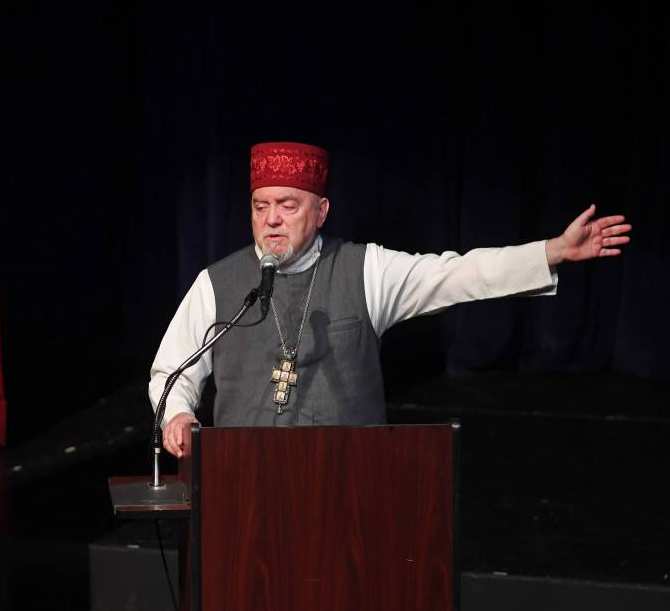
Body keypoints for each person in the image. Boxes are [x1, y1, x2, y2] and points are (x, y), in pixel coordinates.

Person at [150, 141, 632, 458]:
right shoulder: (219, 282)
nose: (272, 219)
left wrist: (552, 251)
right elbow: (172, 371)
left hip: (351, 487)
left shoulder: (367, 269)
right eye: (261, 206)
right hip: (243, 486)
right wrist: (178, 415)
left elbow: (459, 274)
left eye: (287, 206)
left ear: (321, 212)